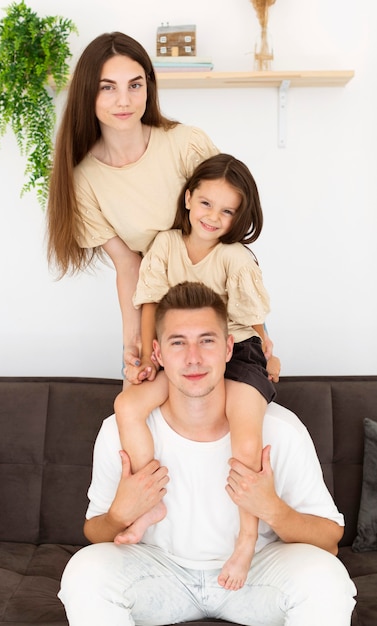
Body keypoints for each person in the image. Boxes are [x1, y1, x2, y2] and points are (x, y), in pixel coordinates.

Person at [58, 282, 356, 626]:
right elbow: (96, 534)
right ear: (158, 353)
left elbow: (330, 541)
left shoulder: (280, 429)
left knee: (326, 579)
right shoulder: (119, 430)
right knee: (84, 571)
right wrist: (118, 515)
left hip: (256, 573)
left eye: (207, 340)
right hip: (159, 572)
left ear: (229, 348)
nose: (193, 358)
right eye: (178, 342)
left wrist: (272, 509)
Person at [114, 154, 280, 590]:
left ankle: (246, 539)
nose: (213, 217)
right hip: (182, 350)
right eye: (206, 204)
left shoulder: (235, 258)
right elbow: (148, 299)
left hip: (238, 349)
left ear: (238, 216)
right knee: (127, 406)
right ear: (188, 198)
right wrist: (151, 358)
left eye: (227, 211)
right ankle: (149, 504)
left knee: (245, 435)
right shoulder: (165, 245)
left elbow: (251, 317)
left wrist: (268, 348)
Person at [46, 31, 219, 371]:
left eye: (134, 85)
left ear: (148, 88)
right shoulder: (83, 181)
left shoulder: (187, 144)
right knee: (132, 400)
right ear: (87, 94)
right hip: (160, 315)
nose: (123, 100)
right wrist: (132, 343)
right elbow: (129, 266)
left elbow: (228, 231)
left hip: (222, 304)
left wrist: (252, 323)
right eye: (107, 87)